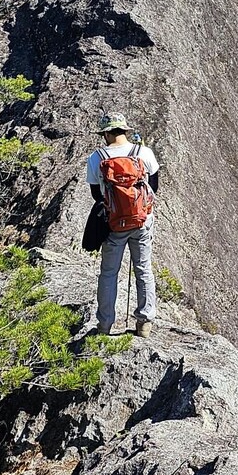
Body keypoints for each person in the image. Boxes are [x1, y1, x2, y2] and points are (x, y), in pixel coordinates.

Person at [86, 112, 160, 336]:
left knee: (109, 273)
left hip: (114, 224)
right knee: (143, 269)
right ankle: (145, 322)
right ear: (125, 131)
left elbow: (96, 194)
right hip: (142, 222)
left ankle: (105, 324)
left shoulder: (96, 158)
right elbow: (153, 188)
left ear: (107, 134)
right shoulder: (143, 152)